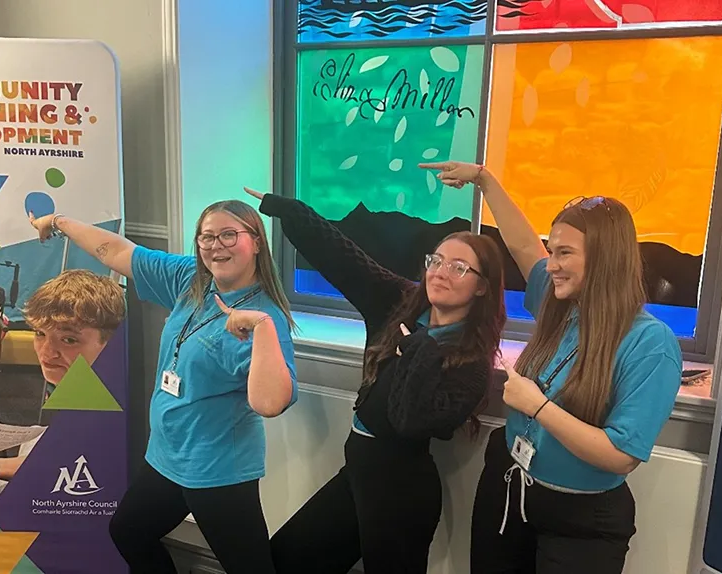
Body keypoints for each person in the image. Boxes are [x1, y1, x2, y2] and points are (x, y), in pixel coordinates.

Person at [418, 161, 683, 574]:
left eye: (564, 253)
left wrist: (538, 407)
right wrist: (485, 181)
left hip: (581, 522)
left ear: (603, 260)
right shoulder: (561, 304)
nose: (551, 264)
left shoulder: (650, 345)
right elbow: (524, 248)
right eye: (552, 250)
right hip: (511, 490)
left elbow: (621, 455)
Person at [244, 187, 507, 573]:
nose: (440, 272)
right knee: (289, 557)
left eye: (459, 267)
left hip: (401, 490)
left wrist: (419, 349)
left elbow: (410, 421)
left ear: (482, 286)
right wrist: (286, 209)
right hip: (359, 469)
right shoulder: (400, 303)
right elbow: (346, 259)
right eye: (436, 260)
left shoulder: (472, 363)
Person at [27, 202, 298, 574]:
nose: (216, 245)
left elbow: (270, 403)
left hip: (217, 470)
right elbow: (118, 251)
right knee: (129, 532)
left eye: (229, 235)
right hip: (167, 458)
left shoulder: (265, 316)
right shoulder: (191, 280)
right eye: (207, 236)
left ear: (256, 242)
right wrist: (58, 222)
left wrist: (262, 326)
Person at [0, 269, 126, 511]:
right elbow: (56, 462)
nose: (45, 353)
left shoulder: (109, 416)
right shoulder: (83, 389)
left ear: (111, 343)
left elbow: (70, 522)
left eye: (69, 340)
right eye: (40, 334)